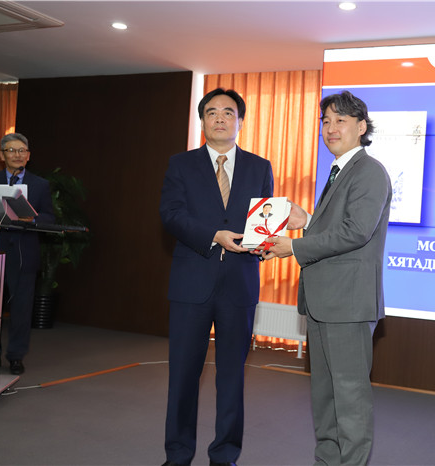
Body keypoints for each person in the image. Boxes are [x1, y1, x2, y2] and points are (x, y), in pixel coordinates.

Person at [261, 91, 391, 465]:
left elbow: (356, 231)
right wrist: (307, 221)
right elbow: (338, 228)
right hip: (325, 303)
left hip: (347, 305)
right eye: (326, 121)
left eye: (341, 121)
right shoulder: (339, 171)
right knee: (325, 397)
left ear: (361, 127)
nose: (331, 128)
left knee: (349, 399)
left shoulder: (368, 171)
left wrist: (294, 246)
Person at [159, 88, 274, 466]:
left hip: (240, 284)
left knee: (232, 377)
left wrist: (266, 242)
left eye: (228, 112)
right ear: (202, 120)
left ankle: (224, 455)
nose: (220, 118)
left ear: (240, 121)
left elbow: (264, 222)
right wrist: (213, 235)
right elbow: (171, 214)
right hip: (191, 282)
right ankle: (178, 454)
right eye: (212, 112)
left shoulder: (260, 167)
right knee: (183, 376)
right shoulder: (180, 164)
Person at [0, 132, 55, 375]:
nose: (17, 155)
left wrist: (33, 217)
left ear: (28, 156)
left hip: (24, 253)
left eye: (22, 151)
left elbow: (49, 217)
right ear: (2, 155)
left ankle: (15, 356)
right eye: (12, 150)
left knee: (21, 309)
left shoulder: (40, 184)